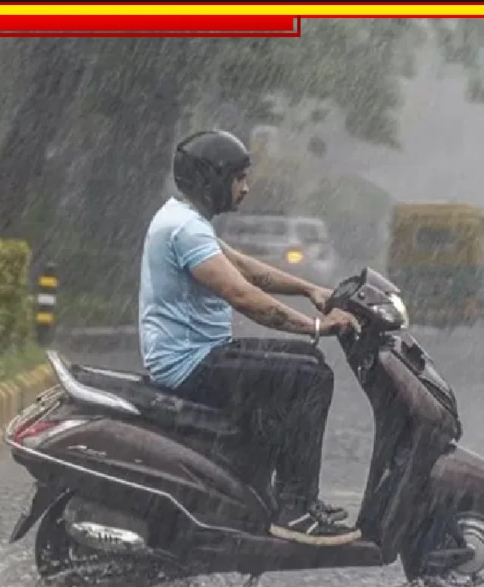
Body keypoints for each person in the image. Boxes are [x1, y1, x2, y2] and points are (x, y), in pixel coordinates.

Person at [139, 129, 362, 546]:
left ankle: (277, 495)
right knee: (309, 378)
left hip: (201, 355)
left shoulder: (185, 219)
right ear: (212, 179)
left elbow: (244, 267)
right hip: (190, 365)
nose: (246, 188)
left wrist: (311, 290)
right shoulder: (184, 230)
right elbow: (243, 295)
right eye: (238, 178)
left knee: (308, 363)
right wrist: (315, 326)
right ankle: (294, 508)